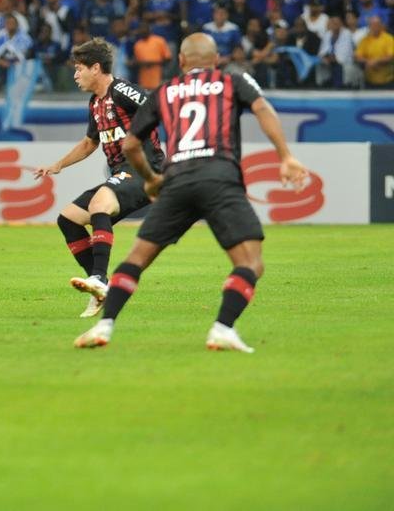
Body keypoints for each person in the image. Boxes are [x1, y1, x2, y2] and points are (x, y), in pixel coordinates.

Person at [75, 33, 307, 352]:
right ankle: (223, 328)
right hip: (219, 177)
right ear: (216, 60)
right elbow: (263, 109)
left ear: (181, 61)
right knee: (251, 262)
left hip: (176, 179)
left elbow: (131, 144)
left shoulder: (166, 90)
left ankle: (104, 325)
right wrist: (285, 156)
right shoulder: (232, 80)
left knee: (137, 259)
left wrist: (151, 179)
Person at [33, 39, 164, 318]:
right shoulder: (95, 102)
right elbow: (90, 143)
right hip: (122, 172)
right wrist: (58, 165)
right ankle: (100, 286)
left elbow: (157, 108)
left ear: (96, 68)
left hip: (145, 169)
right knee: (68, 219)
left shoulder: (122, 90)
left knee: (99, 205)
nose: (75, 75)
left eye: (79, 69)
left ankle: (100, 279)